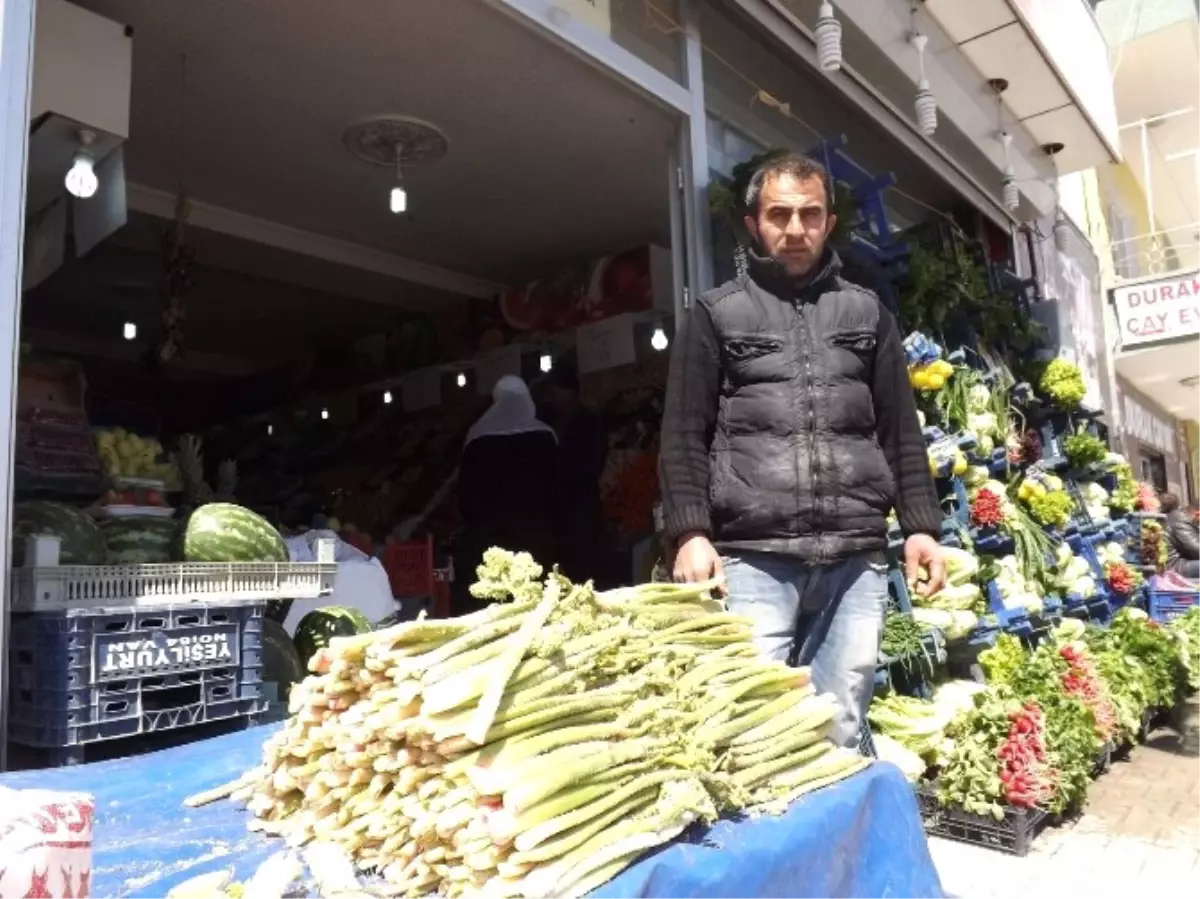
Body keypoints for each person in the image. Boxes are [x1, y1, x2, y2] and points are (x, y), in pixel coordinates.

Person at [658, 153, 946, 747]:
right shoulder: (716, 315)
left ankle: (829, 837)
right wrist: (690, 533)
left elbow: (901, 431)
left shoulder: (867, 313)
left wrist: (921, 526)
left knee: (840, 719)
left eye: (810, 214)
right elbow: (683, 432)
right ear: (754, 223)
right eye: (780, 214)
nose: (795, 229)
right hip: (753, 557)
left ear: (829, 222)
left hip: (855, 557)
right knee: (755, 727)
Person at [453, 375, 560, 616]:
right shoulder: (545, 436)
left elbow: (465, 495)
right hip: (537, 536)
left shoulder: (476, 438)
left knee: (497, 605)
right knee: (536, 604)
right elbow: (558, 490)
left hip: (491, 539)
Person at [539, 360, 610, 586]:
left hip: (582, 507)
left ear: (572, 392)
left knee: (585, 572)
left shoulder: (589, 422)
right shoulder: (547, 421)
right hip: (555, 513)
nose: (553, 397)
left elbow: (593, 463)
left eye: (558, 391)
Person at [1162, 493, 1200, 577]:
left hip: (1184, 562)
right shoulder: (1180, 520)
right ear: (1198, 514)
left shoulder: (1184, 520)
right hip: (1176, 566)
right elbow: (1196, 550)